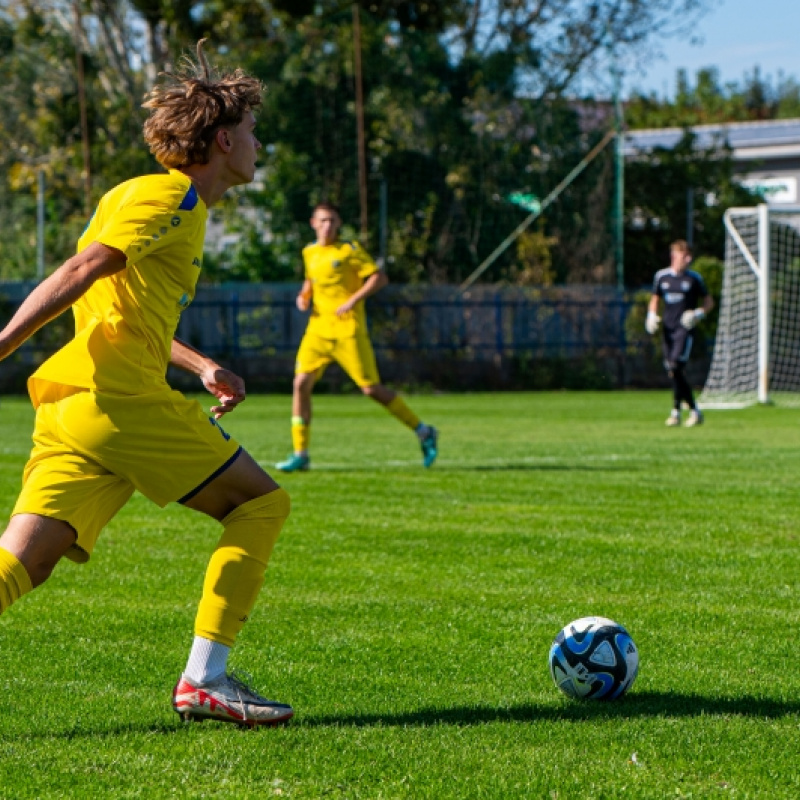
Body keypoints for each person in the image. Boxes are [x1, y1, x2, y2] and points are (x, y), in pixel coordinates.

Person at [0, 42, 294, 728]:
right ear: (223, 140)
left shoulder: (141, 195)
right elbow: (85, 269)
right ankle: (206, 680)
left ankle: (206, 682)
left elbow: (121, 310)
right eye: (251, 133)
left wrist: (199, 367)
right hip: (122, 405)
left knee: (23, 564)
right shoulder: (175, 195)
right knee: (259, 505)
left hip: (76, 405)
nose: (256, 145)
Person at [275, 203, 438, 472]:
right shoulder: (309, 252)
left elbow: (378, 278)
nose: (328, 226)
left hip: (347, 329)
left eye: (333, 221)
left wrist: (353, 300)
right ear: (313, 223)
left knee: (370, 389)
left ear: (338, 225)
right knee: (300, 384)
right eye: (323, 220)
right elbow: (311, 281)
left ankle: (423, 431)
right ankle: (300, 453)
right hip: (317, 330)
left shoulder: (348, 251)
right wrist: (303, 297)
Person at [646, 239, 714, 427]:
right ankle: (692, 411)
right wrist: (651, 315)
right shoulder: (662, 277)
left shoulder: (694, 278)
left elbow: (709, 302)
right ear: (674, 256)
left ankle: (677, 412)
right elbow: (655, 299)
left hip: (684, 330)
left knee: (675, 367)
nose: (689, 259)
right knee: (673, 371)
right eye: (685, 256)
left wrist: (698, 313)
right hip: (668, 329)